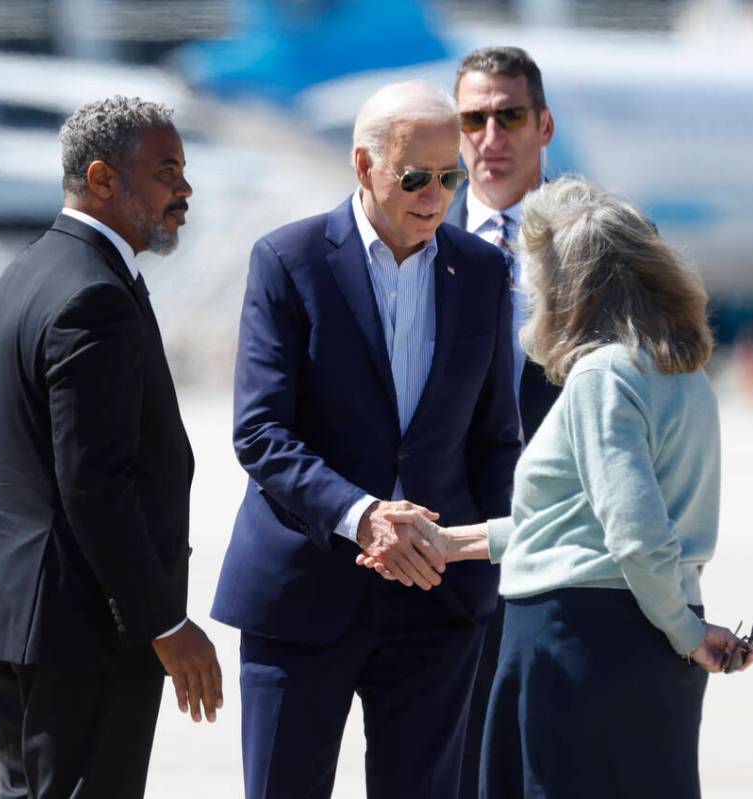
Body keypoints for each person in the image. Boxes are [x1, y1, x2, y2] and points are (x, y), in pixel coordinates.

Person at [360, 178, 753, 798]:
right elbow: (571, 523)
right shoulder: (683, 374)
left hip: (583, 639)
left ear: (570, 284)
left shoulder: (604, 375)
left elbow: (632, 531)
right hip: (655, 629)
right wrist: (448, 542)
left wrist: (685, 633)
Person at [210, 80, 521, 799]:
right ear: (363, 165)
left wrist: (479, 565)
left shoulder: (480, 271)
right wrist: (364, 515)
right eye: (416, 176)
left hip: (436, 602)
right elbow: (260, 430)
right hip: (304, 592)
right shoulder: (290, 261)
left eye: (452, 176)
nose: (436, 193)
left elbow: (495, 439)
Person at [0, 96, 222, 799]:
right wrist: (165, 620)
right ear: (102, 179)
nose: (185, 189)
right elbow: (94, 486)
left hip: (17, 614)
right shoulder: (90, 295)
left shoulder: (28, 272)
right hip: (82, 628)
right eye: (166, 171)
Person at [445, 45, 557, 798]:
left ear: (543, 125)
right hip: (444, 555)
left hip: (563, 551)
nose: (492, 136)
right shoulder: (412, 240)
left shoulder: (600, 247)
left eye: (509, 116)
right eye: (474, 118)